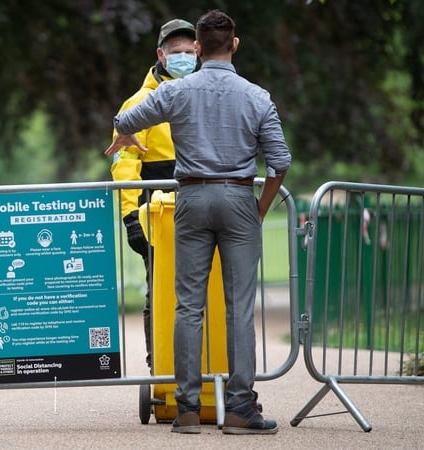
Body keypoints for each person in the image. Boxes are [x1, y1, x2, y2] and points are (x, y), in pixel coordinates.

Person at [105, 10, 292, 435]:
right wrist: (259, 209)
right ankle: (242, 407)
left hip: (188, 197)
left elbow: (124, 120)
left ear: (199, 49)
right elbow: (280, 161)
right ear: (235, 45)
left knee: (187, 306)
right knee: (239, 310)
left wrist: (124, 135)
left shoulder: (178, 91)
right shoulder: (257, 96)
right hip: (239, 197)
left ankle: (186, 408)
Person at [110, 18, 198, 369]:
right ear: (161, 55)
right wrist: (131, 216)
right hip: (158, 216)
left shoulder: (208, 94)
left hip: (200, 207)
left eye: (189, 51)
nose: (183, 57)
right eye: (176, 52)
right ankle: (158, 365)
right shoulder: (138, 104)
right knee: (159, 292)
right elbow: (124, 163)